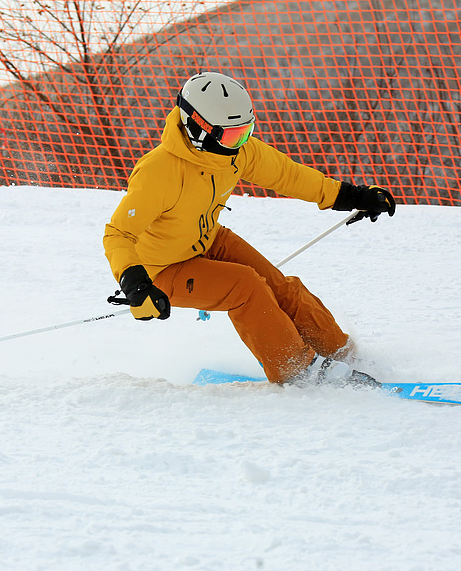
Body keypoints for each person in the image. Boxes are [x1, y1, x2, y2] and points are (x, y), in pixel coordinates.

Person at [103, 72, 396, 386]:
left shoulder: (237, 153)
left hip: (206, 238)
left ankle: (342, 354)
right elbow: (118, 234)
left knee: (280, 287)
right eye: (231, 137)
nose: (240, 144)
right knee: (246, 287)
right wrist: (134, 281)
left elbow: (289, 175)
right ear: (198, 127)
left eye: (245, 132)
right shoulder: (158, 172)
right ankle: (298, 371)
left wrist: (351, 196)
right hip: (161, 268)